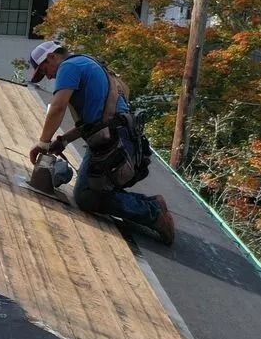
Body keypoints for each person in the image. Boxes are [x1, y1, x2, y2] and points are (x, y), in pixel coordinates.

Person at [26, 40, 176, 245]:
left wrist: (43, 144)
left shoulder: (68, 67)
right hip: (115, 138)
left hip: (115, 141)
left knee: (86, 197)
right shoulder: (85, 63)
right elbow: (94, 121)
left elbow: (58, 107)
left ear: (52, 57)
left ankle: (153, 212)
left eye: (45, 70)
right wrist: (63, 140)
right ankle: (152, 204)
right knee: (93, 189)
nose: (49, 76)